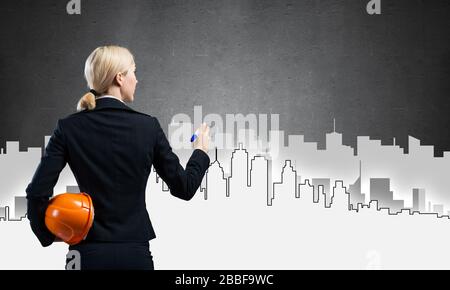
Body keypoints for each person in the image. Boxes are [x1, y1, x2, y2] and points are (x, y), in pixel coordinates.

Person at [25, 45, 210, 270]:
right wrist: (200, 151)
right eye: (134, 71)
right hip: (134, 254)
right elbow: (185, 187)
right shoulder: (147, 127)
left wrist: (47, 236)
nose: (137, 80)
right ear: (120, 78)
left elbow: (36, 193)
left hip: (85, 255)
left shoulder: (68, 128)